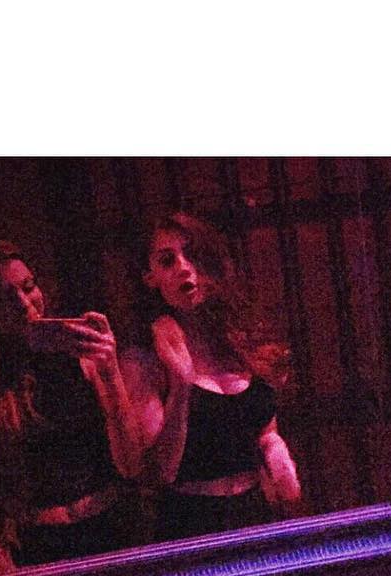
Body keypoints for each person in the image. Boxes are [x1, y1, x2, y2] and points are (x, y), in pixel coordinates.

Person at [0, 240, 142, 571]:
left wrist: (110, 373)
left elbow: (131, 464)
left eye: (29, 287)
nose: (24, 304)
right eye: (5, 297)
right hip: (39, 545)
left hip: (108, 528)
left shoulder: (80, 355)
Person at [121, 212, 303, 542]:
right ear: (149, 277)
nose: (184, 267)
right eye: (167, 261)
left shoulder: (240, 339)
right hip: (192, 524)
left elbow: (265, 429)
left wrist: (278, 460)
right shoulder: (144, 358)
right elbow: (161, 472)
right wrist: (180, 383)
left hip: (254, 514)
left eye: (193, 254)